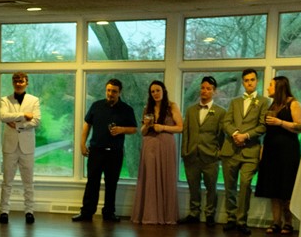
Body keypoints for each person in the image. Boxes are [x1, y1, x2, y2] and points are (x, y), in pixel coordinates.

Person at [73, 79, 138, 222]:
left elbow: (134, 129)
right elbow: (87, 125)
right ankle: (86, 213)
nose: (110, 94)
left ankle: (109, 213)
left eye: (114, 91)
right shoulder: (96, 106)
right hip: (96, 151)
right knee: (92, 183)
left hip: (115, 153)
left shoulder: (127, 109)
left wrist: (121, 129)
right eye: (108, 90)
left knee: (111, 184)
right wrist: (82, 144)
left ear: (119, 92)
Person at [221, 68, 269, 235]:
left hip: (250, 150)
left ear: (257, 81)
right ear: (243, 82)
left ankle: (242, 220)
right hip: (230, 149)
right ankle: (231, 218)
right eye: (246, 80)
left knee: (245, 184)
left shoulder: (264, 102)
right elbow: (226, 121)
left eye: (252, 80)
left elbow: (262, 126)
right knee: (230, 186)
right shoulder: (234, 102)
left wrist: (245, 136)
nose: (249, 82)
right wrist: (235, 134)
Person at [255, 76, 301, 234]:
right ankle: (276, 221)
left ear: (280, 87)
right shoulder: (273, 104)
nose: (268, 88)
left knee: (286, 187)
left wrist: (280, 123)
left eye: (270, 85)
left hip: (287, 151)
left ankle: (288, 222)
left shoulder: (293, 104)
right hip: (271, 150)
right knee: (272, 187)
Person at [131, 80, 183, 225]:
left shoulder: (172, 106)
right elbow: (142, 131)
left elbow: (180, 128)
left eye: (157, 90)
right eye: (152, 91)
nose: (155, 93)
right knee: (150, 178)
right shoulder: (147, 108)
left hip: (166, 145)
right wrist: (147, 126)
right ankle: (150, 214)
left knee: (165, 176)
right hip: (150, 145)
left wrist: (163, 127)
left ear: (163, 90)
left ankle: (166, 215)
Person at [179, 76, 225, 227]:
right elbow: (186, 133)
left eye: (208, 89)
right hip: (191, 155)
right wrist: (184, 152)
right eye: (203, 88)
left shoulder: (220, 112)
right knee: (193, 187)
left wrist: (218, 153)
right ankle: (194, 213)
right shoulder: (191, 110)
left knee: (211, 188)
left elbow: (222, 136)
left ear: (214, 91)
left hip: (210, 156)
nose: (204, 91)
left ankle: (210, 215)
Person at [0, 72, 41, 224]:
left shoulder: (34, 100)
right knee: (7, 181)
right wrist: (24, 114)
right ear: (12, 83)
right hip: (10, 146)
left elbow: (36, 121)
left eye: (21, 81)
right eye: (15, 81)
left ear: (26, 82)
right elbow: (3, 116)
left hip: (27, 146)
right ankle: (4, 211)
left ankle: (29, 211)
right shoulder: (5, 99)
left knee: (28, 182)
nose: (18, 83)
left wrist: (18, 123)